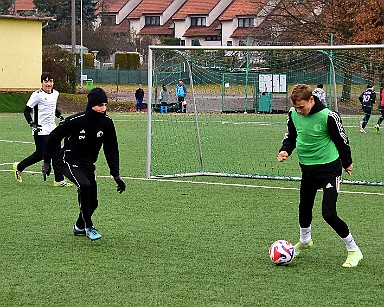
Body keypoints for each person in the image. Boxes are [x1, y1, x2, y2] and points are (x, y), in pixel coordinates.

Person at [277, 84, 363, 268]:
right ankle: (305, 240)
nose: (299, 111)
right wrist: (285, 150)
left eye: (302, 107)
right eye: (296, 107)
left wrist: (347, 162)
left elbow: (342, 139)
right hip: (307, 170)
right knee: (304, 207)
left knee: (329, 214)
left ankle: (354, 250)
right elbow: (291, 136)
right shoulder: (293, 114)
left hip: (330, 170)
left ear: (311, 100)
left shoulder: (328, 116)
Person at [42, 87, 126, 241]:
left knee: (93, 203)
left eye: (105, 105)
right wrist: (47, 161)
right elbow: (54, 137)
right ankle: (89, 227)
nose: (104, 109)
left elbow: (111, 149)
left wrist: (116, 174)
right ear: (92, 105)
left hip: (87, 165)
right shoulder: (75, 120)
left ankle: (79, 226)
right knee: (84, 186)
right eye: (100, 105)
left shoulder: (107, 123)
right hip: (68, 160)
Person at [13, 72, 72, 187]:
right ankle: (19, 167)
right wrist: (32, 124)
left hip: (52, 128)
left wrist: (59, 116)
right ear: (42, 83)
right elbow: (26, 111)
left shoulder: (55, 93)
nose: (48, 84)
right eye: (46, 81)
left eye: (50, 81)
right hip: (40, 129)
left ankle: (59, 180)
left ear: (53, 82)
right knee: (40, 154)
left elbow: (52, 108)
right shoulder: (37, 95)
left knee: (57, 153)